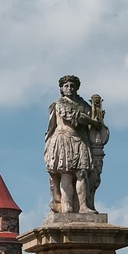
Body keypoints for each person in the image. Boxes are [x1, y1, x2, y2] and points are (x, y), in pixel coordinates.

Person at [43, 74, 106, 214]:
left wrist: (98, 117)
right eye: (66, 86)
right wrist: (93, 121)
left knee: (82, 174)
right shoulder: (60, 103)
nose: (69, 88)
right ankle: (67, 206)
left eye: (72, 86)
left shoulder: (84, 104)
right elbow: (74, 116)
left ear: (77, 88)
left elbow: (92, 117)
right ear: (61, 89)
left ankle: (84, 207)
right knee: (66, 174)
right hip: (64, 140)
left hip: (81, 141)